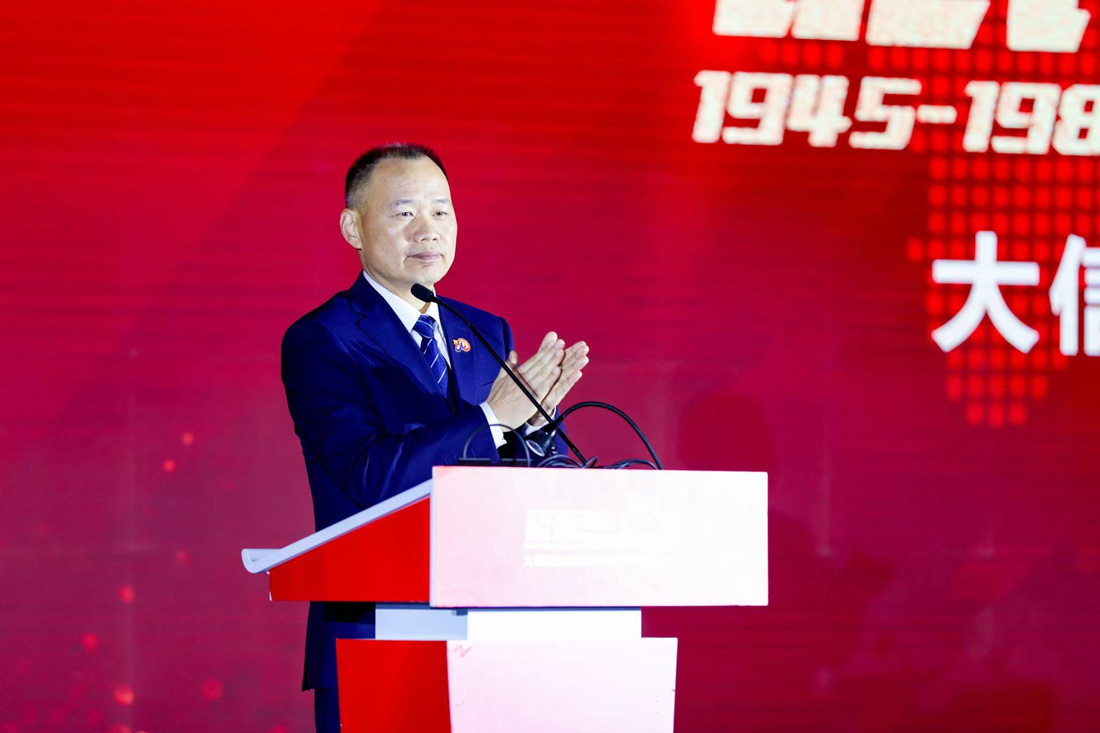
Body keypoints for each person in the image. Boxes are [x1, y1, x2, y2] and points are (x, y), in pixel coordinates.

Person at [280, 143, 589, 732]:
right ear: (353, 228)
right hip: (377, 630)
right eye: (404, 212)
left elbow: (518, 476)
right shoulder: (324, 338)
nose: (428, 229)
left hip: (495, 625)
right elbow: (369, 476)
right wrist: (493, 417)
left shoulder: (486, 330)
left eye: (441, 211)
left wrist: (535, 428)